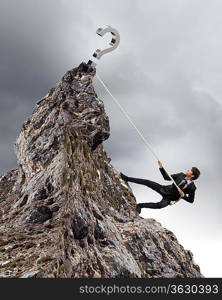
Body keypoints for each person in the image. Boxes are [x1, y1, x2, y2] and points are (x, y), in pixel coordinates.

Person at [120, 160, 200, 213]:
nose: (188, 170)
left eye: (190, 170)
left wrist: (183, 195)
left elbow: (191, 200)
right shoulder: (181, 175)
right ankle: (126, 178)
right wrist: (161, 167)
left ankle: (140, 205)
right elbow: (166, 177)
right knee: (147, 182)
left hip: (170, 198)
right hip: (164, 189)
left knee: (160, 205)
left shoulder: (192, 187)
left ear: (192, 176)